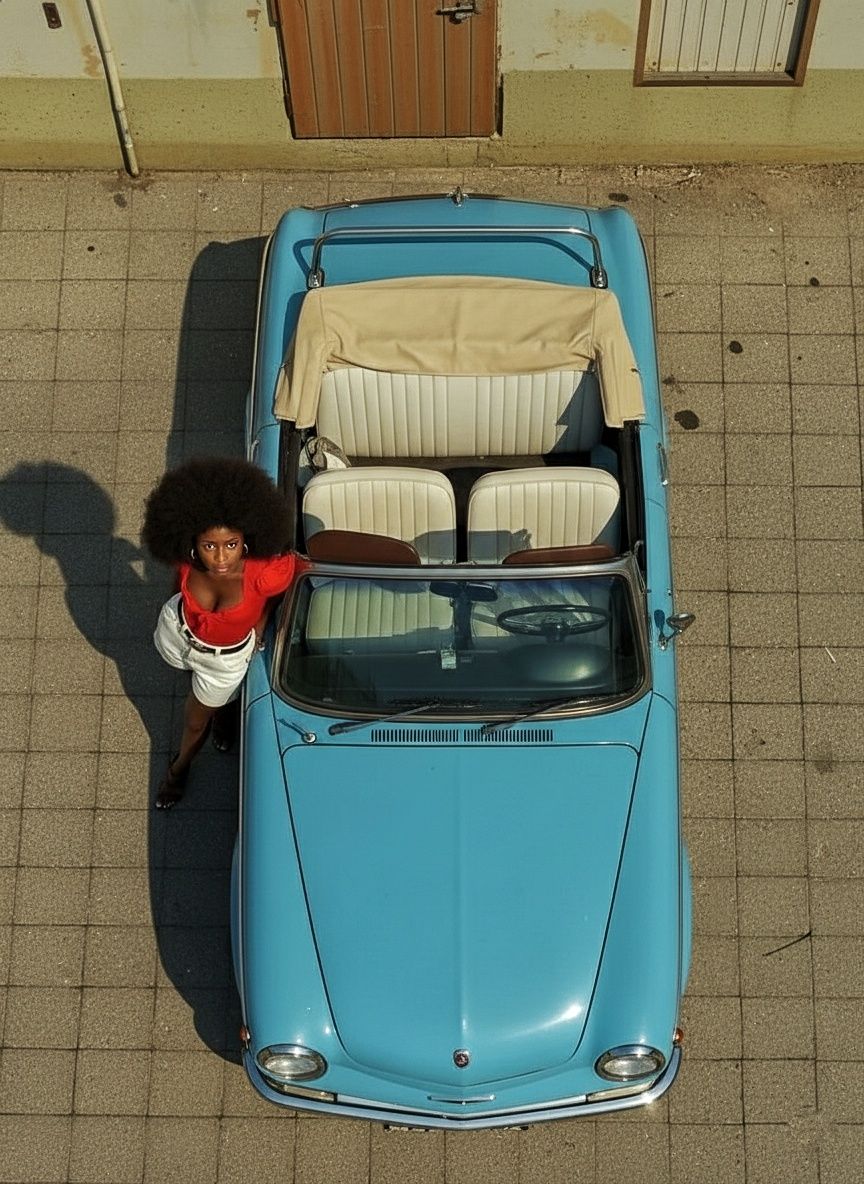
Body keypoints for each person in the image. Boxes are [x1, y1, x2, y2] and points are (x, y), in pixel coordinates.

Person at [142, 456, 297, 809]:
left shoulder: (263, 572)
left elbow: (283, 590)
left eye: (231, 544)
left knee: (196, 724)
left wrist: (261, 620)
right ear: (194, 543)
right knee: (205, 703)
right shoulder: (187, 557)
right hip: (176, 633)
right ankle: (226, 714)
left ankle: (177, 772)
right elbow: (177, 583)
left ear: (246, 540)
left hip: (223, 661)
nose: (221, 558)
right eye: (210, 546)